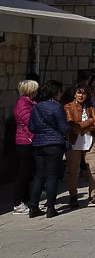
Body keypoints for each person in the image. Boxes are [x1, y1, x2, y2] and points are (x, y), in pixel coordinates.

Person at [27, 80, 70, 218]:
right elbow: (64, 128)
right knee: (52, 175)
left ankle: (33, 207)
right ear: (56, 92)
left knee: (39, 175)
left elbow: (31, 127)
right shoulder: (57, 107)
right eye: (60, 91)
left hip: (38, 144)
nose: (61, 94)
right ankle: (51, 207)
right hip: (54, 145)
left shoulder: (36, 107)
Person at [64, 83, 95, 208]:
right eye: (78, 93)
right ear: (74, 94)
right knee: (73, 171)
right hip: (74, 142)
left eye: (83, 93)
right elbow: (73, 126)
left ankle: (93, 196)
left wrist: (84, 128)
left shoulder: (89, 107)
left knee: (93, 168)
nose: (81, 95)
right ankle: (73, 197)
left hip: (89, 141)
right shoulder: (68, 107)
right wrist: (89, 122)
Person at [12, 79, 39, 215]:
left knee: (28, 173)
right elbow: (30, 122)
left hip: (29, 141)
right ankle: (18, 202)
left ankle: (25, 199)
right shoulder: (23, 105)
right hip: (25, 142)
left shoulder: (29, 103)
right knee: (23, 173)